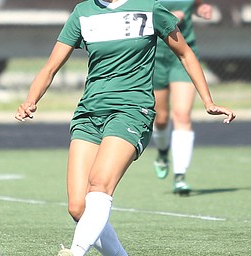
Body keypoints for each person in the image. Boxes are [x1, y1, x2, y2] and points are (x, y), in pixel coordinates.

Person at [15, 0, 236, 255]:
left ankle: (75, 252)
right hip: (89, 113)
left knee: (99, 184)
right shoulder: (83, 12)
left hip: (132, 111)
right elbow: (51, 67)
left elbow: (185, 53)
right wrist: (31, 100)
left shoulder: (150, 8)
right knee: (78, 207)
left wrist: (207, 101)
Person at [151, 0, 213, 196]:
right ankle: (162, 153)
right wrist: (166, 19)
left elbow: (197, 3)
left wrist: (200, 7)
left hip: (184, 53)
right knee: (160, 119)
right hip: (155, 55)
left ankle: (180, 176)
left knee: (182, 115)